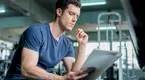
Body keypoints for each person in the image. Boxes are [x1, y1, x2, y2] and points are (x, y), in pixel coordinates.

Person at [5, 0, 89, 80]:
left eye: (77, 16)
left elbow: (73, 74)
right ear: (59, 12)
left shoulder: (66, 44)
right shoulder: (36, 31)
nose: (74, 19)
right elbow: (27, 69)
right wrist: (61, 78)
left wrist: (82, 45)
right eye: (71, 14)